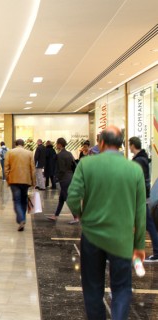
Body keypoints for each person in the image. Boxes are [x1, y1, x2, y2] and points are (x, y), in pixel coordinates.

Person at [67, 126, 146, 320]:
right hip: (122, 237)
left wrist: (82, 216)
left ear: (101, 143)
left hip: (92, 236)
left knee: (93, 287)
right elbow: (140, 211)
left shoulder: (87, 165)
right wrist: (139, 245)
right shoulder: (134, 169)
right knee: (122, 287)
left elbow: (72, 197)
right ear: (121, 145)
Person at [129, 136, 158, 261]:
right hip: (142, 197)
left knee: (148, 225)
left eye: (129, 145)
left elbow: (135, 180)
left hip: (139, 198)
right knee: (145, 225)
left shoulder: (138, 161)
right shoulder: (143, 158)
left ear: (132, 145)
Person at [4, 139, 35, 231]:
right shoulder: (29, 153)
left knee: (17, 201)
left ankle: (21, 219)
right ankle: (23, 219)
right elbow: (33, 169)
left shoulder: (10, 152)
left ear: (15, 144)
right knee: (24, 200)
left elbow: (6, 168)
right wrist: (33, 182)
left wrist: (8, 179)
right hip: (26, 180)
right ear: (23, 144)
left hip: (14, 180)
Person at [47, 138, 78, 223]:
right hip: (70, 176)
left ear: (60, 144)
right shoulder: (69, 154)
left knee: (67, 198)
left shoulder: (60, 155)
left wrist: (56, 179)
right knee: (61, 198)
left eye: (57, 144)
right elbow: (74, 165)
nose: (56, 145)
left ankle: (76, 217)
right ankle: (56, 215)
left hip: (64, 178)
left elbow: (61, 169)